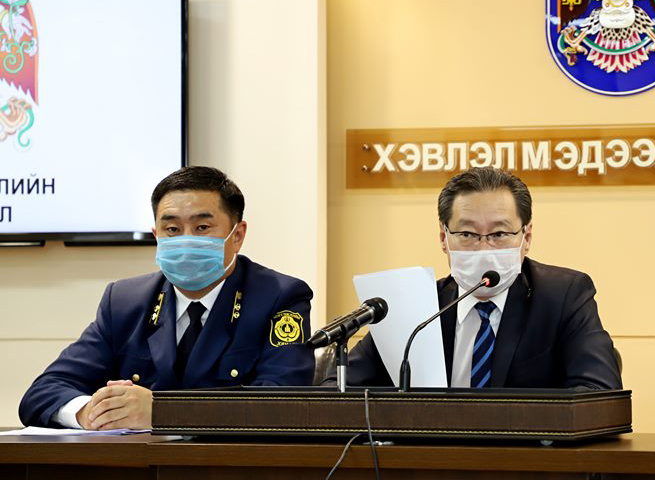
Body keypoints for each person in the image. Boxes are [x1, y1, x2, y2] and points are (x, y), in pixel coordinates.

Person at [19, 166, 315, 430]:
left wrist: (162, 412)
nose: (185, 240)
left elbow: (282, 404)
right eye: (172, 229)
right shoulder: (125, 301)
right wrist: (90, 412)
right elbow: (43, 392)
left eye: (202, 228)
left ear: (237, 235)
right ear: (156, 236)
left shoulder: (279, 297)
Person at [329, 166, 622, 390]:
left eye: (499, 233)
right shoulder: (416, 309)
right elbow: (336, 389)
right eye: (467, 234)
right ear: (444, 238)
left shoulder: (563, 296)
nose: (484, 248)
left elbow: (598, 391)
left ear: (527, 237)